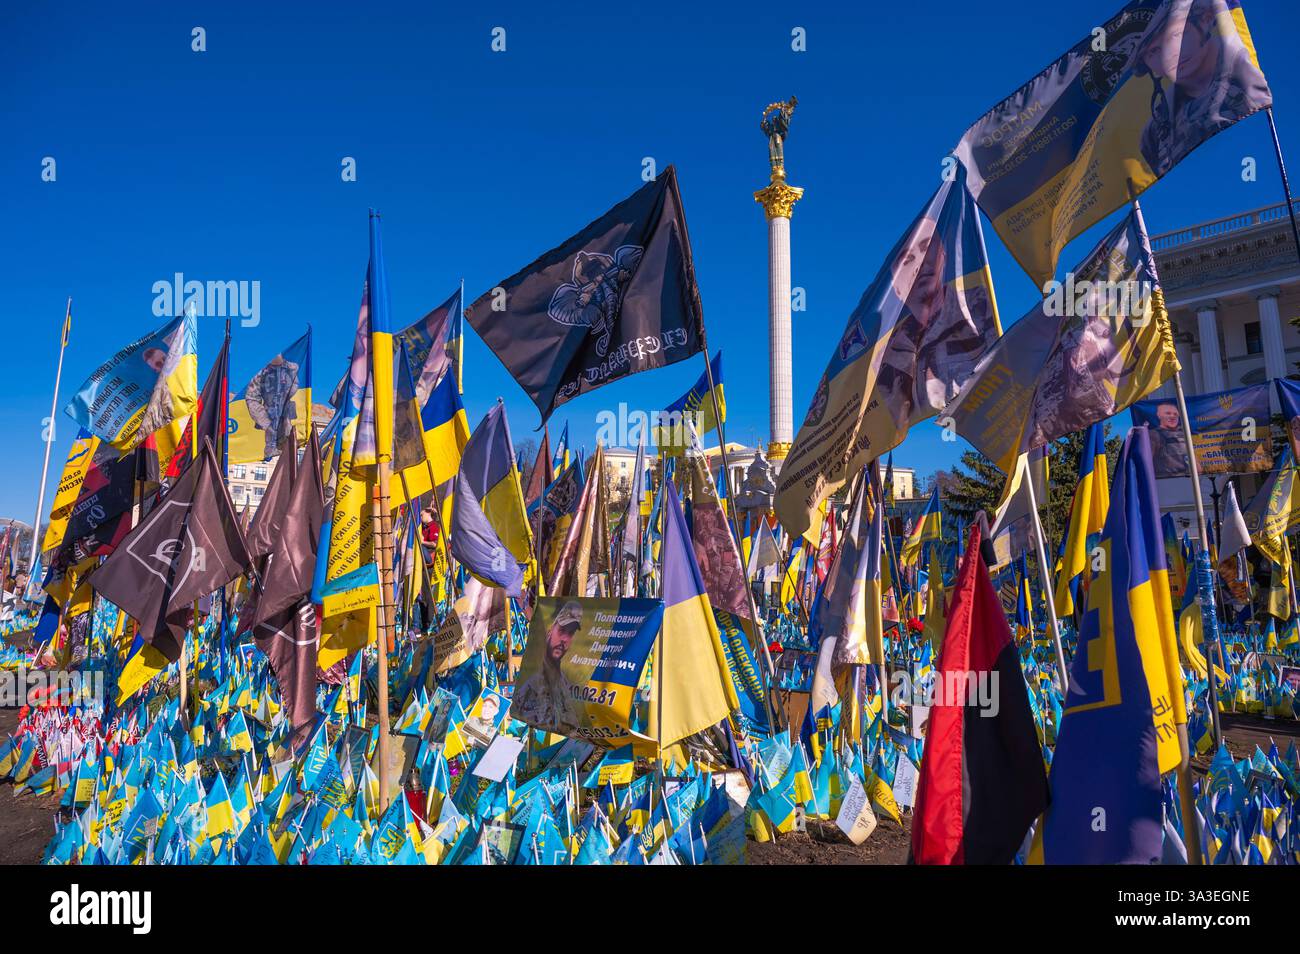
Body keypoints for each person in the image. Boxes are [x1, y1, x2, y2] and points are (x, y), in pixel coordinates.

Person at [1132, 0, 1271, 177]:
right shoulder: (1154, 133)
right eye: (1154, 52)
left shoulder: (1248, 80)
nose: (1170, 55)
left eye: (1178, 35)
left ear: (1204, 21)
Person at [514, 601, 583, 731]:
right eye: (562, 630)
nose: (564, 639)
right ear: (550, 630)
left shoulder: (566, 683)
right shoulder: (531, 683)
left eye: (570, 633)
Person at [1149, 401, 1191, 477]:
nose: (1172, 416)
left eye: (1175, 414)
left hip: (1190, 479)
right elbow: (1147, 461)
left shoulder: (1184, 434)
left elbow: (1196, 463)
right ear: (1159, 415)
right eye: (1168, 413)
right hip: (1166, 481)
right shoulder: (1153, 434)